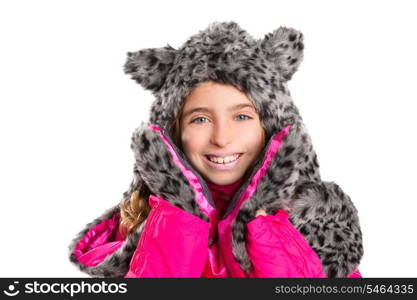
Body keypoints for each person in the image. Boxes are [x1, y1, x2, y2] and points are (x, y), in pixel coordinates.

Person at [68, 21, 363, 278]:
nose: (221, 138)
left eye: (242, 116)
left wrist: (265, 231)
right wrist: (178, 218)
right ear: (173, 131)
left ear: (272, 126)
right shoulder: (135, 228)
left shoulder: (316, 222)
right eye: (200, 119)